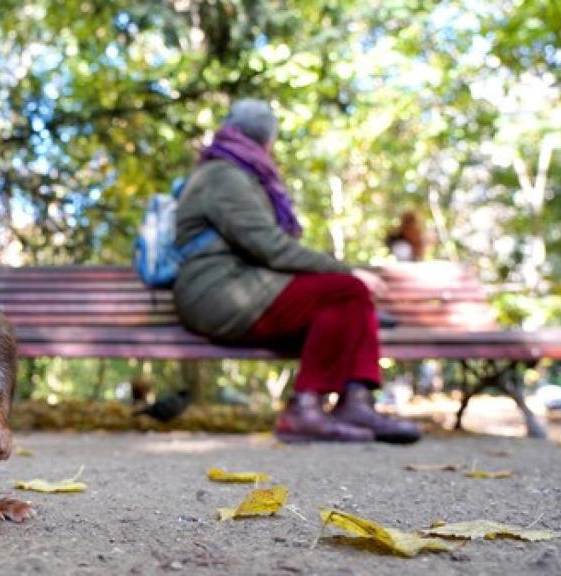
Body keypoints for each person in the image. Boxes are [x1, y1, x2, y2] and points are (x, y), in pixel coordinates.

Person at [173, 98, 420, 444]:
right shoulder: (223, 176)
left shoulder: (238, 172)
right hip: (217, 293)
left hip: (239, 288)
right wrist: (348, 272)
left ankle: (356, 402)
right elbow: (269, 246)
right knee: (345, 291)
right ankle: (305, 410)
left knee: (350, 298)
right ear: (268, 141)